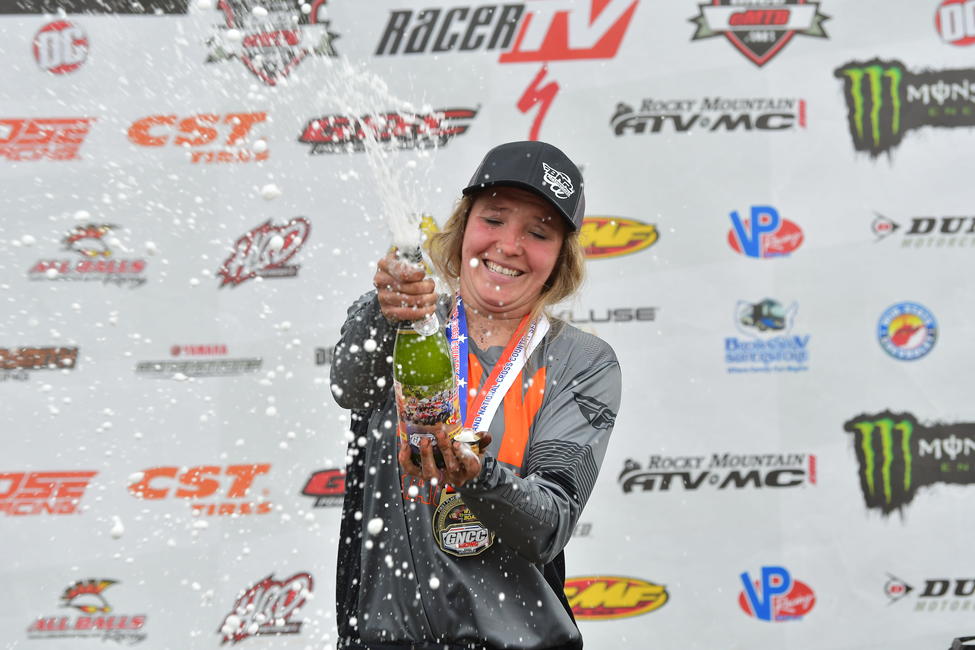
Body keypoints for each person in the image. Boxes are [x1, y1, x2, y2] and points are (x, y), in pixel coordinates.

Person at [330, 141, 622, 650]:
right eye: (494, 219)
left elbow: (548, 526)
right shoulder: (404, 323)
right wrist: (383, 311)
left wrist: (477, 476)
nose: (509, 246)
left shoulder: (580, 361)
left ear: (560, 260)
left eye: (538, 232)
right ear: (463, 228)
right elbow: (348, 386)